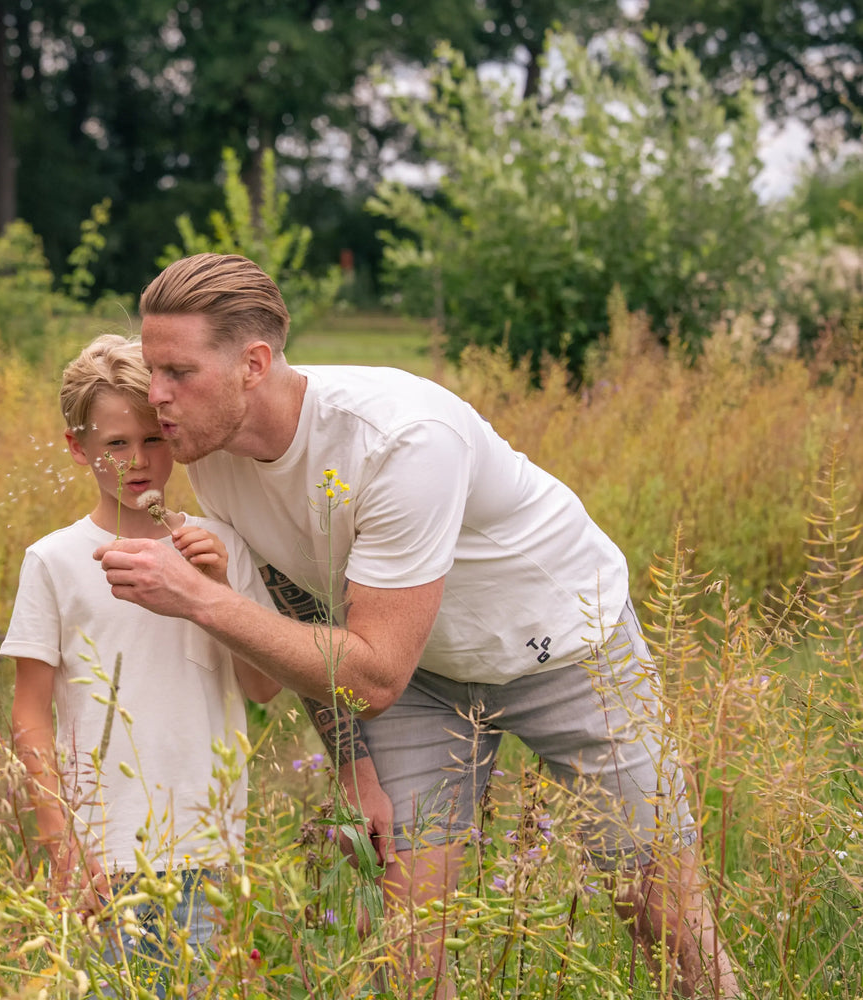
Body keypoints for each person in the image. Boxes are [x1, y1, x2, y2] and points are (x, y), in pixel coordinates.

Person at [92, 253, 739, 999]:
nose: (158, 398)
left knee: (661, 914)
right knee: (400, 931)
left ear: (253, 364)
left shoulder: (400, 440)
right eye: (151, 371)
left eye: (178, 373)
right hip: (417, 674)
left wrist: (201, 600)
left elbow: (369, 673)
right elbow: (300, 611)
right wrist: (351, 769)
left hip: (565, 644)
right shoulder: (213, 451)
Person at [2, 333, 282, 991]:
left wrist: (218, 593)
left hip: (211, 849)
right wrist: (62, 846)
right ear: (79, 449)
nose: (138, 461)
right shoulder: (55, 560)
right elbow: (29, 714)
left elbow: (263, 688)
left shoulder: (221, 545)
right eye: (115, 445)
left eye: (155, 440)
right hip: (105, 854)